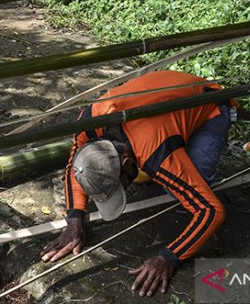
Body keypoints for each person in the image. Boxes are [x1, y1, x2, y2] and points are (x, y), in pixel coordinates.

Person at [42, 70, 237, 297]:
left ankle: (190, 145)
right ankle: (177, 142)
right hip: (168, 94)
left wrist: (169, 257)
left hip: (210, 102)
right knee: (163, 166)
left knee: (178, 190)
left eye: (120, 186)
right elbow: (73, 167)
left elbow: (211, 211)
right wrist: (75, 219)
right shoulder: (90, 121)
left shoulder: (158, 154)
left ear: (126, 162)